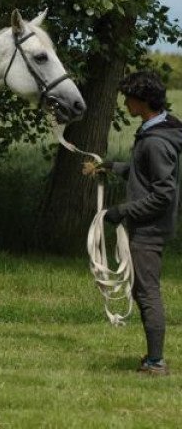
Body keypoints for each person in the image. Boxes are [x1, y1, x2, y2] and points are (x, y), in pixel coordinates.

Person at [84, 71, 182, 376]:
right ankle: (153, 358)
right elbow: (143, 173)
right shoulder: (157, 131)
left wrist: (121, 212)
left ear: (143, 102)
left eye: (129, 98)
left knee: (147, 292)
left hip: (149, 229)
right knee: (143, 290)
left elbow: (163, 194)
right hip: (148, 226)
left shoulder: (156, 142)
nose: (125, 103)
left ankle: (156, 362)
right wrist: (111, 167)